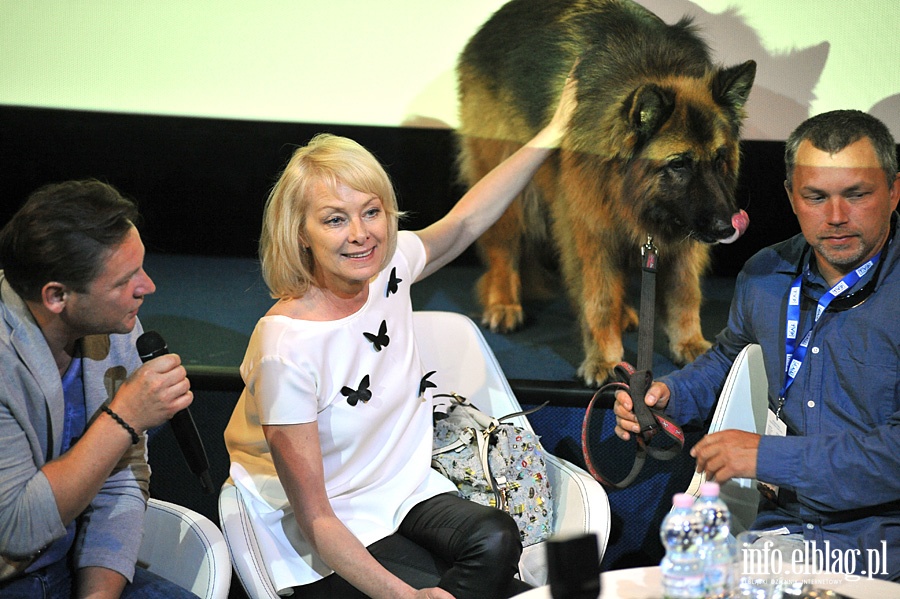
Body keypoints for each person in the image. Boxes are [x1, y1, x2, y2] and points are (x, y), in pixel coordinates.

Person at [223, 72, 578, 598]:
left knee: (497, 538)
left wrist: (551, 132)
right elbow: (317, 517)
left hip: (405, 489)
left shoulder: (388, 269)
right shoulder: (286, 350)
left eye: (372, 212)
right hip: (322, 527)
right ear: (300, 232)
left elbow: (464, 222)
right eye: (335, 220)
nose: (362, 234)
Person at [615, 110, 900, 581]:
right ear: (791, 197)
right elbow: (731, 357)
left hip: (879, 547)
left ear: (894, 191)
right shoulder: (765, 273)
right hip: (775, 532)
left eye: (857, 195)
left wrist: (769, 458)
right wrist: (670, 397)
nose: (835, 217)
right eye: (815, 197)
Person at [0, 180, 196, 598]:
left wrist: (99, 594)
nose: (148, 287)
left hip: (75, 569)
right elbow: (17, 530)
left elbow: (122, 479)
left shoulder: (113, 326)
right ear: (57, 296)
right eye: (126, 279)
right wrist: (124, 417)